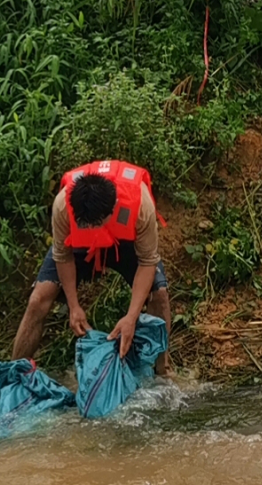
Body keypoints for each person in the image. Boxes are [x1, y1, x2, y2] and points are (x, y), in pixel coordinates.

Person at [11, 159, 172, 375]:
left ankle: (164, 370)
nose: (91, 227)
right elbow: (62, 255)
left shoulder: (141, 204)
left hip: (125, 242)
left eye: (96, 223)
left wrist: (131, 317)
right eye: (85, 223)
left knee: (159, 295)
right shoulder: (62, 205)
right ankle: (14, 372)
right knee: (38, 299)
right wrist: (73, 306)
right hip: (79, 246)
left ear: (113, 208)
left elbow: (147, 261)